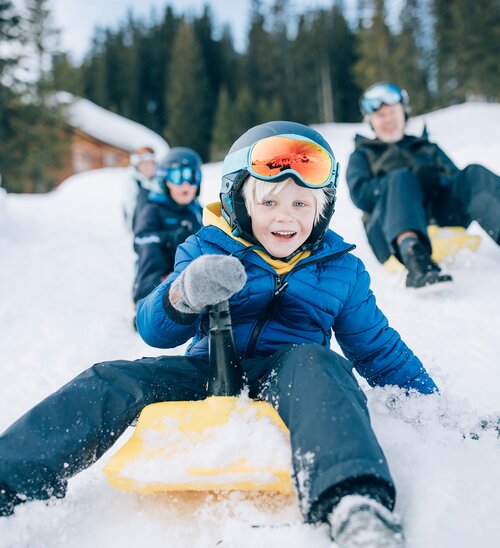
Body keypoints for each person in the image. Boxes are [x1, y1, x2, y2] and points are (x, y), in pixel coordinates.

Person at [0, 121, 438, 547]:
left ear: (322, 210)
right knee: (109, 379)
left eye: (301, 205)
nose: (286, 217)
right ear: (240, 203)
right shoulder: (207, 247)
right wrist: (185, 292)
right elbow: (154, 329)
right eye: (269, 203)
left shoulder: (341, 269)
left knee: (322, 364)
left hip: (289, 374)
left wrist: (436, 408)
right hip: (205, 368)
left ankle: (354, 500)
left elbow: (379, 350)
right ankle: (10, 477)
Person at [346, 81, 500, 288]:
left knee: (474, 173)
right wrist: (398, 184)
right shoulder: (363, 154)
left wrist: (433, 180)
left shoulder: (427, 147)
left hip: (440, 216)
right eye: (380, 115)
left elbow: (458, 183)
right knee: (400, 178)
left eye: (392, 112)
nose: (388, 120)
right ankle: (416, 260)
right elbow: (360, 196)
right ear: (371, 121)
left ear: (404, 113)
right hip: (389, 233)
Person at [132, 147, 203, 308]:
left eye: (192, 176)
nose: (186, 184)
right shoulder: (154, 208)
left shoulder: (197, 211)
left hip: (186, 274)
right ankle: (145, 302)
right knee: (149, 248)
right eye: (178, 177)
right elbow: (141, 239)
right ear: (166, 181)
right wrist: (171, 237)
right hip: (161, 271)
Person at [122, 145, 162, 232]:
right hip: (140, 224)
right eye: (144, 164)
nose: (147, 167)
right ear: (138, 166)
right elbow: (129, 207)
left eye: (150, 163)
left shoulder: (159, 182)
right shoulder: (134, 182)